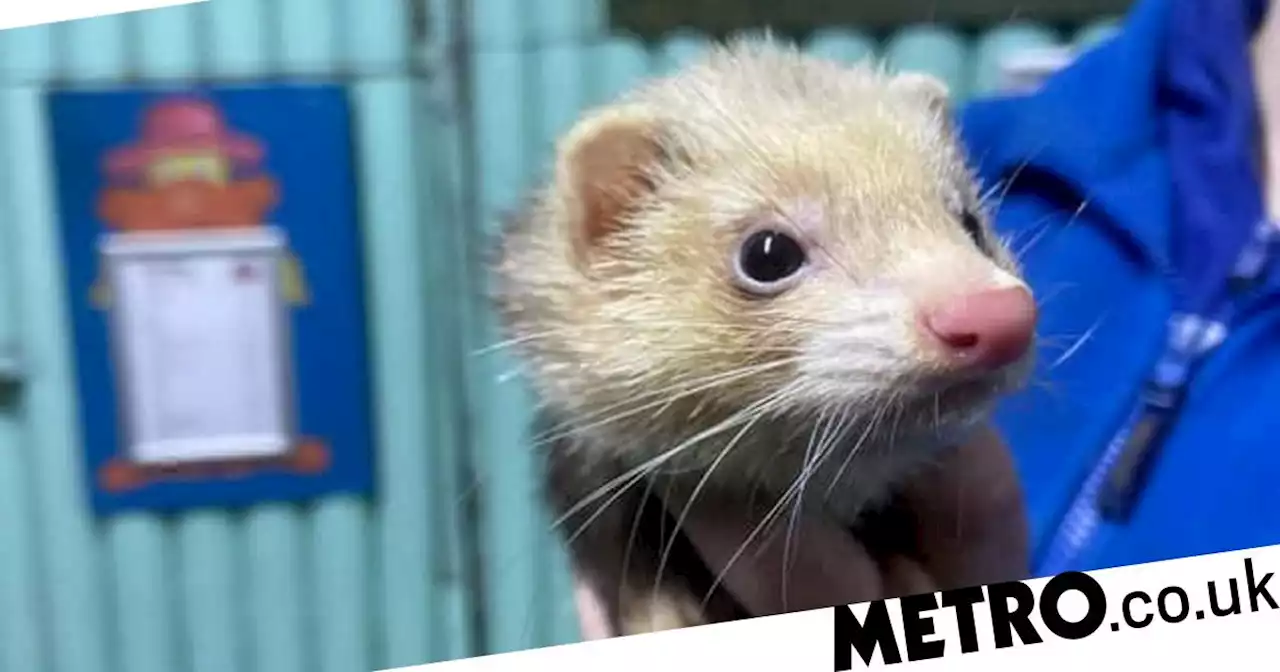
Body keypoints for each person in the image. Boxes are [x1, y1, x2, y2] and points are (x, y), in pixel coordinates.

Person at [576, 0, 1280, 636]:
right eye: (771, 257)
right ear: (610, 222)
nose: (985, 294)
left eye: (967, 224)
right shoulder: (1024, 148)